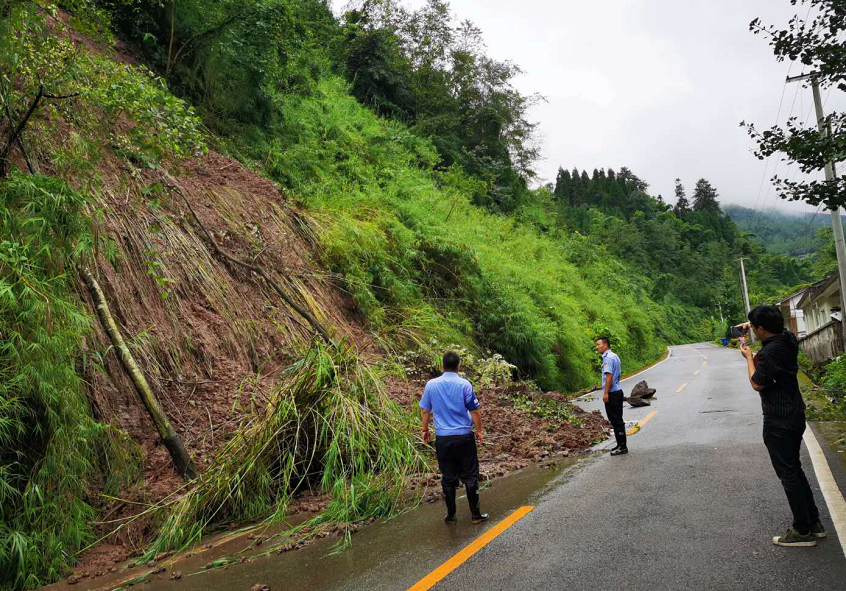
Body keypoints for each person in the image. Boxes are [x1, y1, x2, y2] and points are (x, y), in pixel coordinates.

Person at [738, 305, 826, 547]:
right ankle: (813, 523)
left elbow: (757, 383)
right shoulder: (787, 339)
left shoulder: (768, 354)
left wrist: (748, 358)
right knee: (794, 469)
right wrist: (752, 326)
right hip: (795, 412)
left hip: (779, 418)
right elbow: (775, 334)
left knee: (788, 473)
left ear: (761, 329)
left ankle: (802, 531)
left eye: (754, 327)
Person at [420, 351, 489, 524]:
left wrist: (425, 429)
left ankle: (451, 516)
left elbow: (424, 410)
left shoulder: (431, 385)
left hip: (443, 439)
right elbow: (474, 410)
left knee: (448, 477)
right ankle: (475, 515)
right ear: (458, 366)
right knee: (470, 475)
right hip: (464, 437)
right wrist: (479, 430)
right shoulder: (464, 384)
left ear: (442, 365)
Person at [597, 336, 627, 456]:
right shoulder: (614, 355)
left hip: (612, 393)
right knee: (617, 419)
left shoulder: (607, 358)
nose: (597, 347)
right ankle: (620, 444)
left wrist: (605, 393)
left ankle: (622, 446)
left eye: (598, 344)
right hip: (617, 390)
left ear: (605, 345)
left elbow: (608, 376)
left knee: (616, 420)